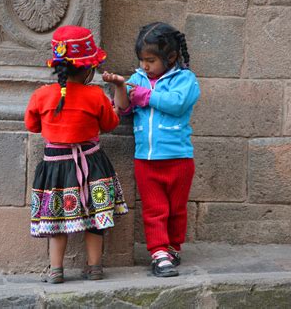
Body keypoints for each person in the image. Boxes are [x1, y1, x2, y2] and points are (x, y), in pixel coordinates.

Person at [25, 25, 128, 284]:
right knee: (96, 218)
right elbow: (110, 124)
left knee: (57, 219)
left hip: (55, 167)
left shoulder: (41, 95)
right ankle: (94, 268)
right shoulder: (95, 95)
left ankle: (56, 270)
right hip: (92, 164)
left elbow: (32, 126)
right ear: (88, 69)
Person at [103, 22, 200, 277]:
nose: (145, 65)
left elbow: (177, 104)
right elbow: (123, 108)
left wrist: (146, 96)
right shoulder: (138, 79)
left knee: (176, 210)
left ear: (171, 57)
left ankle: (172, 246)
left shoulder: (185, 80)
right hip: (146, 160)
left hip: (179, 158)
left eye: (151, 60)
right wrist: (121, 88)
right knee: (155, 209)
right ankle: (158, 252)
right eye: (142, 60)